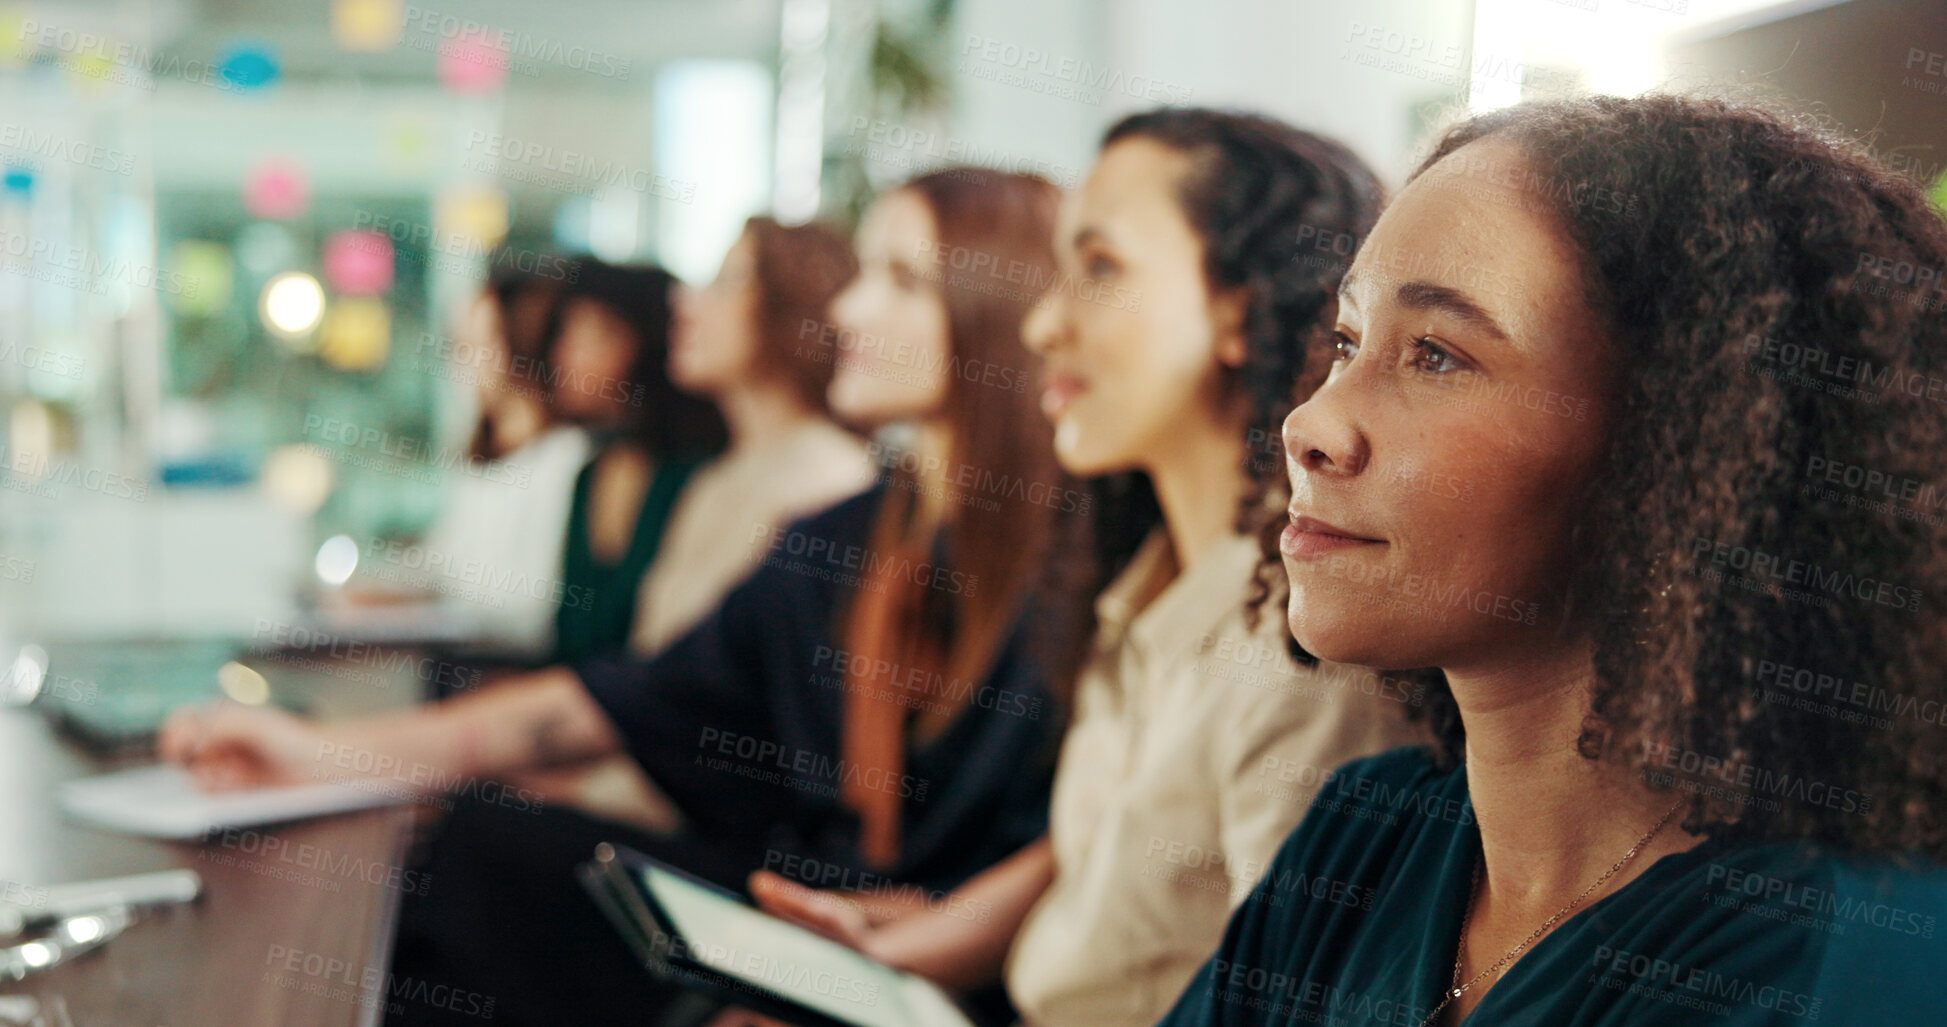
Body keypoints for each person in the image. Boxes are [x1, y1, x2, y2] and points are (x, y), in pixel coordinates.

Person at [159, 167, 1088, 1026]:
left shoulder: (1082, 567)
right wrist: (321, 752)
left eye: (899, 279)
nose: (846, 305)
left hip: (942, 961)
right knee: (473, 853)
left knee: (478, 860)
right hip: (803, 911)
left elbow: (1091, 838)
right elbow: (599, 703)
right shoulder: (834, 544)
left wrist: (926, 932)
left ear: (992, 307)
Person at [1159, 93, 1947, 1026]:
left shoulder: (1823, 949)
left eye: (1436, 356)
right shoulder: (1369, 832)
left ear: (1675, 445)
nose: (1309, 424)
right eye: (1345, 341)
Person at [746, 109, 1422, 1027]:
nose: (1041, 322)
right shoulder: (1147, 584)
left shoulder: (1302, 644)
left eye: (1099, 269)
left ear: (1241, 308)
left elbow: (1282, 995)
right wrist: (900, 950)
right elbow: (1097, 852)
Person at [328, 266, 590, 661]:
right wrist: (382, 592)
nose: (461, 363)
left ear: (522, 344)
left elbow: (529, 608)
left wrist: (425, 608)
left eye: (474, 345)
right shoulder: (481, 459)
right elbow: (445, 562)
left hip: (504, 672)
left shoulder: (566, 459)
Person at [545, 260, 728, 664]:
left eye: (590, 333)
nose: (564, 353)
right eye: (566, 331)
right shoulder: (589, 476)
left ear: (647, 343)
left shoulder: (697, 477)